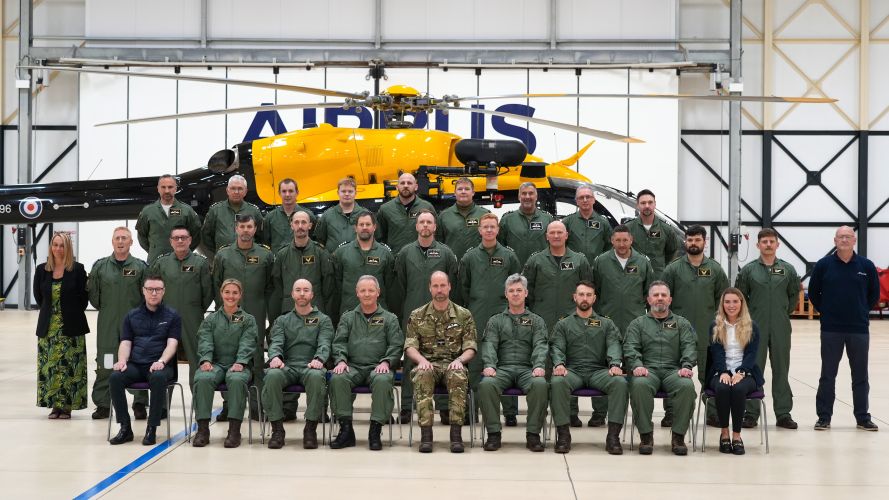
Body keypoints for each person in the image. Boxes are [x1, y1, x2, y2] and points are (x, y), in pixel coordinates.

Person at [810, 226, 881, 431]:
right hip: (831, 329)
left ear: (854, 240)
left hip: (859, 329)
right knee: (828, 374)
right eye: (841, 237)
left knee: (860, 375)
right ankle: (824, 417)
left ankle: (863, 418)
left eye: (848, 237)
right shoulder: (823, 265)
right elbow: (814, 293)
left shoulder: (866, 266)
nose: (844, 240)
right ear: (835, 240)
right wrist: (827, 312)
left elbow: (874, 294)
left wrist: (861, 311)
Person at [523, 219, 594, 426]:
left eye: (559, 232)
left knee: (570, 364)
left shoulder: (579, 260)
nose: (556, 236)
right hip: (542, 320)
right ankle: (540, 412)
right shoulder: (535, 260)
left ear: (566, 235)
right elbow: (528, 291)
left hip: (571, 322)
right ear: (546, 236)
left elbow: (587, 288)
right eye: (552, 232)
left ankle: (570, 412)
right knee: (543, 365)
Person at [393, 210, 459, 423]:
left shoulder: (446, 253)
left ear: (435, 226)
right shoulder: (405, 253)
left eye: (429, 222)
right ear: (416, 226)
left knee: (442, 358)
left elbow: (453, 284)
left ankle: (444, 407)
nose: (425, 225)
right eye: (421, 222)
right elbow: (399, 285)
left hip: (442, 316)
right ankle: (406, 406)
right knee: (410, 360)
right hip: (413, 314)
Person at [661, 225, 729, 427]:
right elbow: (663, 299)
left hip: (708, 334)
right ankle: (672, 413)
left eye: (697, 240)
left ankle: (713, 413)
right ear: (685, 242)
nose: (693, 243)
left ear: (704, 242)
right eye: (690, 240)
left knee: (710, 375)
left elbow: (723, 300)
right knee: (674, 375)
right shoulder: (673, 269)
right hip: (677, 336)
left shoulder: (715, 269)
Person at [458, 212, 521, 426]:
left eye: (492, 227)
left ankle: (510, 412)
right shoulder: (469, 257)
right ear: (479, 230)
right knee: (475, 362)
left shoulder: (509, 256)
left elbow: (516, 285)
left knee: (506, 360)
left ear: (498, 229)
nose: (489, 230)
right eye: (485, 227)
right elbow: (463, 287)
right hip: (476, 313)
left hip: (503, 313)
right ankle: (472, 409)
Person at [550, 281, 628, 455]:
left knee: (620, 382)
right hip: (573, 371)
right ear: (574, 297)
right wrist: (559, 364)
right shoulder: (563, 324)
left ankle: (613, 437)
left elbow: (614, 344)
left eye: (588, 295)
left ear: (594, 298)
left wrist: (615, 364)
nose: (584, 298)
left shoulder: (606, 324)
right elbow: (557, 347)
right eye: (581, 294)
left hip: (598, 371)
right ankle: (563, 436)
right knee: (557, 382)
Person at [404, 271, 477, 453]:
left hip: (453, 363)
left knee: (458, 375)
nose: (439, 290)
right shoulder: (417, 315)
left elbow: (471, 347)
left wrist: (460, 360)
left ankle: (456, 435)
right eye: (435, 286)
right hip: (428, 364)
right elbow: (410, 346)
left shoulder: (463, 315)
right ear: (430, 288)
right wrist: (421, 360)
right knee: (422, 374)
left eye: (443, 285)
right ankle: (426, 435)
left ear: (449, 287)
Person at [329, 276, 404, 450]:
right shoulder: (348, 318)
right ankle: (346, 430)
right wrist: (341, 361)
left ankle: (375, 430)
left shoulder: (390, 319)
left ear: (378, 292)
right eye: (363, 290)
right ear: (357, 293)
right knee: (338, 378)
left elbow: (396, 345)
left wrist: (386, 362)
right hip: (352, 367)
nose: (367, 294)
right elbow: (339, 342)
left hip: (378, 367)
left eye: (371, 290)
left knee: (383, 380)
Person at [735, 228, 800, 430]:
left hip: (781, 327)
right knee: (753, 369)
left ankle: (783, 414)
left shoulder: (788, 270)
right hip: (755, 327)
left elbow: (793, 297)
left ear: (777, 244)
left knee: (781, 369)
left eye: (772, 241)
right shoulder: (748, 271)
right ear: (758, 245)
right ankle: (751, 413)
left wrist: (782, 313)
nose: (768, 245)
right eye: (764, 242)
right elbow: (741, 298)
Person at [211, 213, 274, 421]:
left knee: (256, 359)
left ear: (255, 229)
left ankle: (257, 407)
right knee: (227, 357)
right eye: (242, 226)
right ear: (236, 228)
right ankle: (230, 406)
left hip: (256, 313)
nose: (245, 230)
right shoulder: (223, 255)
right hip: (228, 315)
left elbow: (270, 286)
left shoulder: (266, 255)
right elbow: (216, 284)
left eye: (249, 227)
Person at [478, 274, 548, 452]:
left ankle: (533, 434)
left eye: (519, 290)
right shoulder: (496, 321)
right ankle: (494, 434)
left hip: (527, 369)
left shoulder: (537, 321)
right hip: (502, 369)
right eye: (511, 291)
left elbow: (540, 345)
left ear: (526, 293)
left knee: (540, 384)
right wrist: (489, 365)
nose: (515, 294)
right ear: (506, 294)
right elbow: (489, 344)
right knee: (486, 385)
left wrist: (539, 365)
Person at [625, 281, 696, 456]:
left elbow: (689, 346)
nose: (660, 298)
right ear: (649, 300)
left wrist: (686, 366)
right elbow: (630, 348)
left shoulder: (682, 323)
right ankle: (646, 436)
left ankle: (678, 437)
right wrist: (637, 365)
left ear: (670, 300)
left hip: (674, 371)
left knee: (687, 386)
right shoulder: (637, 324)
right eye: (656, 295)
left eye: (663, 295)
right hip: (648, 370)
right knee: (639, 385)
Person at [108, 275, 181, 446]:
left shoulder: (172, 316)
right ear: (143, 291)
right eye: (150, 289)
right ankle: (125, 427)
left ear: (163, 291)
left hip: (160, 366)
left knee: (158, 377)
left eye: (158, 289)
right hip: (136, 365)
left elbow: (172, 344)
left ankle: (151, 428)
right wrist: (122, 361)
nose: (154, 293)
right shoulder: (131, 316)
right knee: (115, 377)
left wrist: (161, 361)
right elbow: (126, 343)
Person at [263, 279, 333, 450]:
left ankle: (310, 429)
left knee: (316, 377)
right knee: (272, 375)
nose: (302, 293)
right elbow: (276, 342)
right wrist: (275, 357)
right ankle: (277, 430)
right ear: (292, 294)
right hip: (287, 366)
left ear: (312, 294)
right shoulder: (282, 320)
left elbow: (325, 343)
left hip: (312, 365)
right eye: (298, 290)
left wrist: (319, 359)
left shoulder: (323, 320)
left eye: (306, 290)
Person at [88, 227, 148, 420]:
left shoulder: (141, 267)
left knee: (137, 361)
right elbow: (94, 297)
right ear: (112, 242)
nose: (121, 241)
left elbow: (147, 297)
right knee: (106, 362)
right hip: (108, 324)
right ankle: (103, 404)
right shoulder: (100, 267)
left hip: (135, 325)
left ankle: (139, 403)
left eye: (124, 238)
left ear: (131, 242)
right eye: (117, 238)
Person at [191, 279, 257, 448]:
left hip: (240, 365)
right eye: (227, 292)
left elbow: (248, 342)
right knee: (203, 378)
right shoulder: (211, 319)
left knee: (236, 379)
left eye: (235, 293)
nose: (231, 296)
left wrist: (241, 361)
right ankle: (202, 430)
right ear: (221, 294)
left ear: (240, 295)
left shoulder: (248, 320)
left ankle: (234, 431)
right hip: (216, 364)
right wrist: (206, 360)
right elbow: (205, 340)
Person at [33, 231, 89, 419]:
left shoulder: (78, 269)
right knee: (51, 368)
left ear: (68, 247)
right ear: (51, 247)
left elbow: (83, 299)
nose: (58, 249)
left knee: (70, 368)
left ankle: (68, 406)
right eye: (55, 245)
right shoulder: (42, 270)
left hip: (72, 327)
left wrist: (69, 312)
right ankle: (55, 406)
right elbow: (39, 297)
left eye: (62, 245)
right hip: (49, 329)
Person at [148, 225, 212, 389]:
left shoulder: (200, 263)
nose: (180, 241)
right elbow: (154, 290)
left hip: (193, 319)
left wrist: (195, 309)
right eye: (176, 238)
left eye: (184, 237)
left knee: (197, 359)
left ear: (190, 240)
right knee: (163, 360)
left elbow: (208, 292)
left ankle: (198, 401)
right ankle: (163, 402)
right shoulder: (162, 263)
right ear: (171, 241)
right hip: (166, 320)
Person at [706, 288, 764, 455]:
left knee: (738, 389)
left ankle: (737, 436)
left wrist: (741, 372)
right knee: (723, 388)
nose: (731, 305)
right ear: (722, 304)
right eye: (727, 302)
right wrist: (723, 372)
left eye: (735, 301)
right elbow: (716, 352)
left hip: (746, 372)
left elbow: (751, 354)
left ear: (741, 303)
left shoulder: (752, 326)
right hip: (720, 371)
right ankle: (724, 433)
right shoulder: (715, 325)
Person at [331, 212, 396, 319]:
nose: (364, 227)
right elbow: (336, 285)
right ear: (355, 228)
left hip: (378, 314)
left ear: (374, 227)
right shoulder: (341, 253)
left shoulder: (385, 253)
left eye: (368, 224)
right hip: (349, 312)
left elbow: (390, 287)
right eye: (361, 224)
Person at [271, 210, 333, 320]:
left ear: (310, 225)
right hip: (289, 310)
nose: (300, 226)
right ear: (291, 225)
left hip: (315, 309)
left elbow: (328, 283)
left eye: (304, 222)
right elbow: (277, 282)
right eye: (296, 222)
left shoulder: (320, 252)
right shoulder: (282, 254)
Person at [135, 174, 202, 264]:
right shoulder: (147, 211)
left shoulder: (187, 211)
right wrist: (155, 249)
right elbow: (142, 237)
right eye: (163, 187)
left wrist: (183, 251)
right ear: (158, 189)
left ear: (175, 189)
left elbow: (196, 236)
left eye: (170, 187)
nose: (167, 191)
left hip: (180, 263)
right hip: (155, 262)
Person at [201, 175, 263, 259]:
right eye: (233, 188)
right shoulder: (215, 210)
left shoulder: (254, 211)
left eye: (240, 188)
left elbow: (261, 236)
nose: (236, 192)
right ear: (227, 190)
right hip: (223, 258)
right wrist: (219, 250)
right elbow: (206, 235)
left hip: (248, 257)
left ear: (245, 191)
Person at [624, 189, 681, 278]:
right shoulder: (627, 228)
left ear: (655, 204)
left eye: (650, 202)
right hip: (634, 277)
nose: (647, 206)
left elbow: (672, 251)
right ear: (637, 205)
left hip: (658, 278)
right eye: (643, 203)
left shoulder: (666, 229)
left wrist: (662, 268)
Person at [377, 173, 437, 254]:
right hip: (395, 258)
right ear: (397, 187)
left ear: (416, 187)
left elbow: (436, 234)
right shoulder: (385, 209)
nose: (405, 186)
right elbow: (379, 238)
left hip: (422, 258)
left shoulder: (427, 207)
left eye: (409, 183)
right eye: (402, 183)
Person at [497, 182, 554, 265]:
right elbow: (500, 248)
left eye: (531, 193)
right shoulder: (507, 220)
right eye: (524, 193)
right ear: (519, 197)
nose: (527, 197)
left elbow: (554, 246)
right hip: (515, 270)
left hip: (541, 269)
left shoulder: (547, 219)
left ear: (536, 196)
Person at [436, 177, 490, 259]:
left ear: (473, 192)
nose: (463, 192)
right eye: (460, 189)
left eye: (467, 189)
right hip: (453, 264)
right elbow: (438, 244)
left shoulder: (484, 214)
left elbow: (492, 242)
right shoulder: (444, 216)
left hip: (479, 264)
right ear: (455, 193)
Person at [314, 177, 372, 251]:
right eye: (343, 191)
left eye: (350, 191)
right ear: (338, 193)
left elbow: (374, 239)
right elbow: (319, 241)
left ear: (355, 193)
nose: (347, 194)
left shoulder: (366, 215)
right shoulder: (327, 215)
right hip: (333, 258)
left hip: (360, 258)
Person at [563, 184, 613, 264]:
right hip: (574, 268)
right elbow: (560, 246)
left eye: (588, 197)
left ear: (594, 200)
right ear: (577, 201)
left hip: (597, 268)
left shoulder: (603, 223)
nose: (585, 200)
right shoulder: (567, 222)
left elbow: (610, 247)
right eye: (581, 197)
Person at [263, 178, 316, 252]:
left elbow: (314, 241)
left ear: (297, 193)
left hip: (301, 257)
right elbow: (266, 243)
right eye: (284, 191)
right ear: (279, 193)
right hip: (277, 258)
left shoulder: (309, 216)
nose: (287, 195)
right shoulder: (270, 217)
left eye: (291, 191)